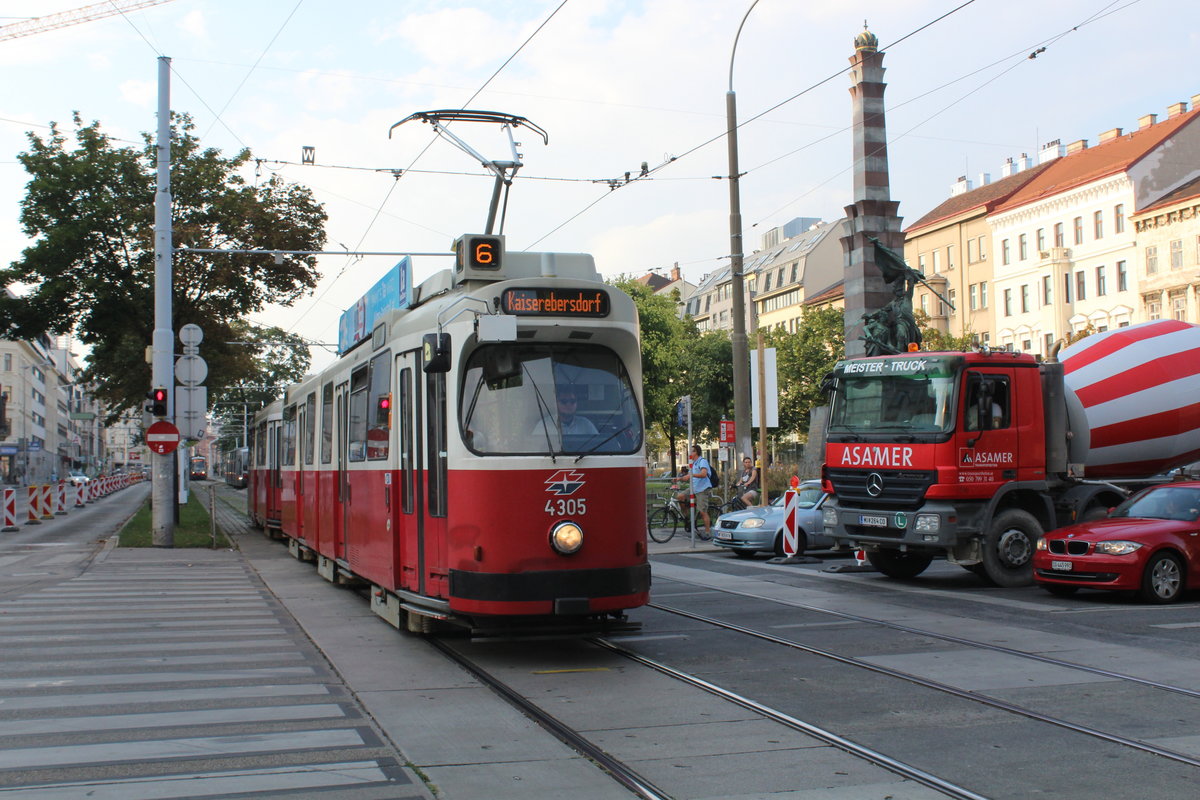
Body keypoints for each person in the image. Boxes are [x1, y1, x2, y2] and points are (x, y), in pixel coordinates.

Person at [675, 444, 713, 536]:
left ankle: (708, 532)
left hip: (702, 489)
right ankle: (688, 518)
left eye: (692, 451)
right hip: (693, 487)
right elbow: (688, 477)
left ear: (696, 452)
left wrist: (691, 475)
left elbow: (703, 474)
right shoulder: (693, 463)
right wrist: (679, 479)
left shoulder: (702, 461)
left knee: (702, 512)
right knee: (680, 497)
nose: (690, 452)